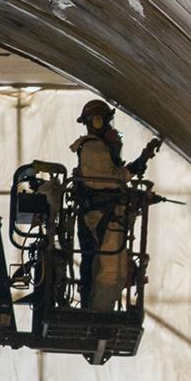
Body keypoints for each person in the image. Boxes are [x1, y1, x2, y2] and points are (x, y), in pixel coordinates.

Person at [70, 98, 161, 309]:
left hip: (103, 216)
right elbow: (112, 180)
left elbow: (115, 178)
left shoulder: (99, 148)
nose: (109, 126)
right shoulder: (93, 149)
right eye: (106, 121)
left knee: (101, 264)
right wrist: (136, 162)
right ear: (98, 121)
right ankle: (94, 308)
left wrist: (141, 159)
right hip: (99, 217)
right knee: (104, 267)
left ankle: (95, 307)